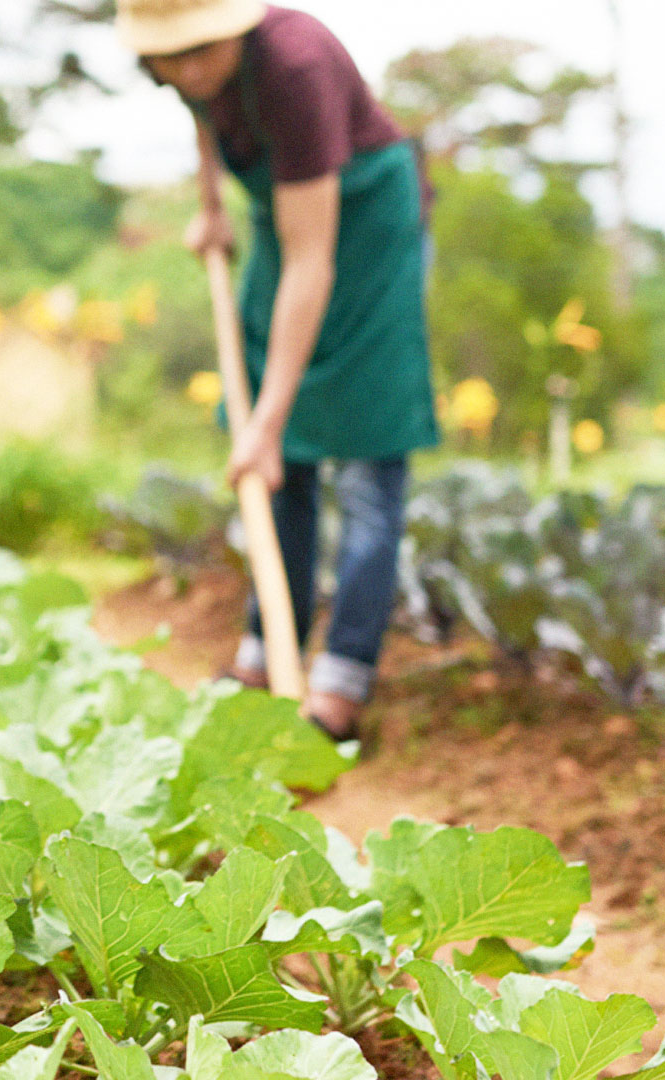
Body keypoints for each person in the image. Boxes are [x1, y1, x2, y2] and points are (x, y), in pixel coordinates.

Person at [116, 0, 438, 739]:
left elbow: (310, 263)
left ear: (234, 26)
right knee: (281, 463)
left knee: (362, 455)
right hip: (291, 228)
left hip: (362, 231)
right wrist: (209, 206)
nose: (191, 68)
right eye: (175, 56)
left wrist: (265, 420)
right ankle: (268, 651)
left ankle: (340, 681)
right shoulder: (191, 74)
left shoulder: (295, 65)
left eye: (204, 49)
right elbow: (203, 110)